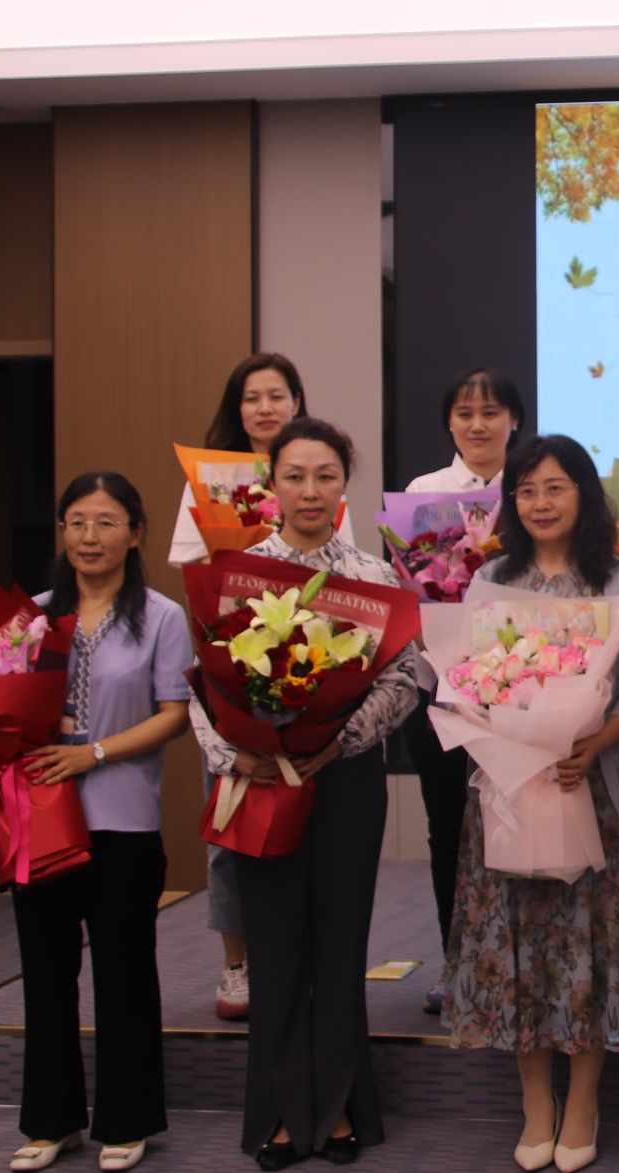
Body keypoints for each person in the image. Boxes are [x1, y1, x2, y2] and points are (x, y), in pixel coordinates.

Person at [187, 418, 426, 1168]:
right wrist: (234, 753)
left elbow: (410, 677)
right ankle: (285, 1112)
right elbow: (201, 687)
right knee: (276, 948)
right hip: (263, 779)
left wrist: (341, 740)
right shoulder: (237, 575)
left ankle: (342, 1104)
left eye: (325, 475)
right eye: (295, 476)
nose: (310, 490)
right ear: (272, 486)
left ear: (344, 484)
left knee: (339, 943)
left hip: (346, 779)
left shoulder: (373, 574)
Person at [442, 435, 619, 1173]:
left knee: (589, 946)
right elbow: (466, 680)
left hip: (593, 789)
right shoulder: (491, 580)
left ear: (584, 494)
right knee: (522, 949)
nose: (540, 502)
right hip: (510, 793)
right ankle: (536, 1102)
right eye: (527, 489)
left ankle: (583, 1101)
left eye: (556, 487)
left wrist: (596, 741)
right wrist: (504, 738)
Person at [0, 473, 192, 1173]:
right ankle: (51, 1120)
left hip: (122, 820)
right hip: (36, 819)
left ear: (135, 533)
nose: (90, 537)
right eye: (77, 522)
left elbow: (174, 715)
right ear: (61, 531)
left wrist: (92, 753)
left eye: (106, 522)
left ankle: (127, 1120)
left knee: (124, 974)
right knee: (45, 973)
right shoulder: (28, 618)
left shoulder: (161, 616)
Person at [168, 352, 351, 1023]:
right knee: (233, 827)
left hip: (311, 664)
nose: (265, 407)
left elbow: (344, 575)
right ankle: (237, 961)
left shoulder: (320, 471)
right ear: (237, 408)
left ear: (297, 401)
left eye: (278, 395)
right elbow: (190, 568)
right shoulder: (207, 482)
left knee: (312, 832)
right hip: (237, 664)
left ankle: (307, 962)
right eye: (252, 397)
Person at [399, 367, 525, 1015]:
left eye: (491, 411)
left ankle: (521, 961)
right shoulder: (422, 493)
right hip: (442, 689)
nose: (478, 424)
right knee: (448, 827)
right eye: (465, 413)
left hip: (524, 691)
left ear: (514, 421)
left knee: (519, 828)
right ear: (449, 422)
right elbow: (411, 590)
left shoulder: (532, 487)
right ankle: (459, 962)